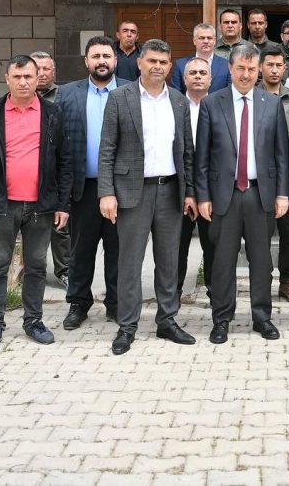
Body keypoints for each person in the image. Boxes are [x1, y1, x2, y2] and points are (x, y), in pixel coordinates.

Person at [98, 39, 196, 354]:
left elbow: (187, 152)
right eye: (152, 60)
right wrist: (106, 192)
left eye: (163, 62)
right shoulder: (119, 98)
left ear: (170, 67)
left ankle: (167, 321)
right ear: (140, 62)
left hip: (170, 192)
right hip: (131, 193)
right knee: (130, 262)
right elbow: (107, 149)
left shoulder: (179, 101)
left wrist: (190, 192)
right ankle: (127, 326)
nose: (157, 67)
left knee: (168, 262)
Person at [0, 55, 71, 352]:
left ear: (38, 78)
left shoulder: (52, 114)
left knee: (37, 265)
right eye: (17, 77)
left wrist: (63, 204)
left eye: (28, 76)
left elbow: (65, 162)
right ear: (7, 79)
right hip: (2, 205)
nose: (23, 82)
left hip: (41, 205)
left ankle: (33, 321)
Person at [195, 44, 289, 344]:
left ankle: (262, 317)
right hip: (225, 196)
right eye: (240, 68)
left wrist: (282, 194)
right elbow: (202, 157)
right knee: (223, 262)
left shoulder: (271, 103)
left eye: (251, 69)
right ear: (230, 69)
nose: (246, 74)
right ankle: (221, 319)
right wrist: (203, 196)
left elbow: (281, 154)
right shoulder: (212, 103)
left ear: (258, 70)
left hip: (261, 195)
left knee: (261, 262)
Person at [56, 37, 127, 330]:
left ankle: (116, 303)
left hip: (120, 188)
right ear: (86, 61)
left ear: (115, 60)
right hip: (82, 188)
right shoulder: (66, 94)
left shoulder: (130, 91)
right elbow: (58, 143)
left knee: (117, 248)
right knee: (81, 250)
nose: (101, 61)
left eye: (106, 56)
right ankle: (78, 303)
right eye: (95, 56)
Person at [261, 48, 289, 305]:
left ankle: (287, 281)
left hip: (288, 175)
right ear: (261, 67)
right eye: (270, 64)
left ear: (285, 68)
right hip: (260, 176)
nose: (275, 69)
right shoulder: (252, 95)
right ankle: (262, 280)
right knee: (261, 234)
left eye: (279, 65)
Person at [176, 57, 216, 300]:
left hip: (212, 190)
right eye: (193, 73)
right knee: (177, 246)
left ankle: (215, 292)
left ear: (211, 78)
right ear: (184, 78)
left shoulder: (221, 106)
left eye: (203, 73)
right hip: (179, 190)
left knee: (213, 245)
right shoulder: (174, 105)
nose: (198, 76)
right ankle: (174, 293)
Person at [31, 50, 71, 290]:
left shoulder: (64, 95)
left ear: (54, 72)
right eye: (37, 69)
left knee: (60, 224)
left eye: (47, 69)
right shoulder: (19, 96)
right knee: (27, 223)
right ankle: (30, 270)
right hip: (27, 169)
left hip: (55, 169)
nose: (42, 73)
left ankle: (64, 271)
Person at [170, 22, 231, 94]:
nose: (206, 41)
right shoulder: (180, 65)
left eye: (209, 38)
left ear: (214, 41)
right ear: (194, 41)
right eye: (202, 38)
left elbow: (230, 93)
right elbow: (175, 94)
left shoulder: (226, 65)